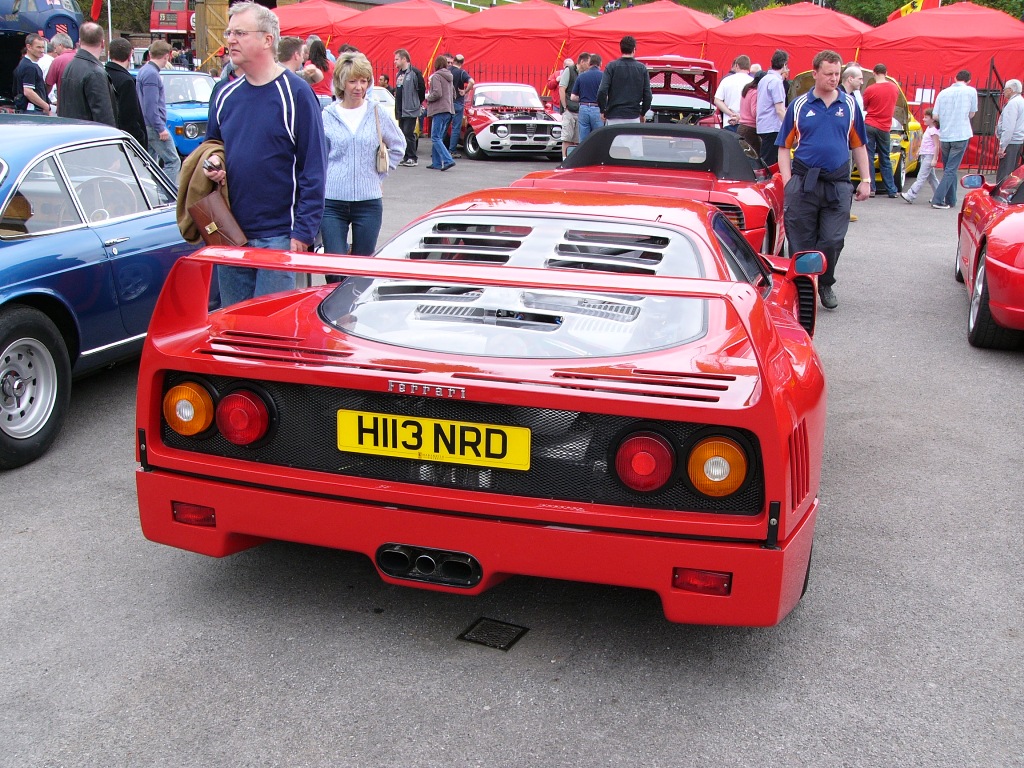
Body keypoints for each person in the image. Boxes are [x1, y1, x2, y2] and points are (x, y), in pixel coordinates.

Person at [204, 1, 326, 306]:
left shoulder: (297, 94)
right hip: (229, 232)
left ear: (267, 40)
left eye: (240, 33)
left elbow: (314, 167)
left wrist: (303, 232)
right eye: (229, 32)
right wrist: (214, 162)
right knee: (232, 329)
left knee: (271, 332)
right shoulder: (223, 94)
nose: (230, 39)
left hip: (278, 235)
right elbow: (212, 145)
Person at [776, 49, 871, 311]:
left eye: (837, 74)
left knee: (832, 239)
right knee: (801, 240)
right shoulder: (799, 106)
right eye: (828, 74)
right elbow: (783, 147)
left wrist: (866, 179)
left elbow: (859, 145)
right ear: (815, 73)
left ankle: (826, 282)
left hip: (838, 183)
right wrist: (788, 182)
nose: (833, 79)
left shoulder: (849, 105)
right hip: (804, 182)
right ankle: (802, 287)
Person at [320, 52, 405, 278]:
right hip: (332, 203)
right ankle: (334, 313)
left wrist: (378, 177)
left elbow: (398, 146)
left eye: (364, 80)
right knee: (334, 270)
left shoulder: (376, 111)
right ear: (341, 82)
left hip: (368, 203)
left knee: (362, 270)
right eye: (353, 81)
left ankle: (356, 313)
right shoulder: (327, 116)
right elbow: (317, 157)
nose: (359, 87)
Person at [930, 69, 978, 210]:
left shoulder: (943, 93)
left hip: (945, 134)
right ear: (968, 80)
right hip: (961, 133)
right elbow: (972, 113)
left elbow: (936, 115)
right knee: (951, 169)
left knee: (949, 168)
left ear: (955, 78)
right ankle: (937, 199)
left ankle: (951, 199)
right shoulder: (971, 91)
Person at [137, 40, 180, 187]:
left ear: (150, 54)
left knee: (149, 164)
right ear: (167, 56)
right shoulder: (152, 75)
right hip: (153, 126)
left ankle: (151, 192)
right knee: (173, 161)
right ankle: (164, 193)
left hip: (147, 124)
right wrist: (160, 127)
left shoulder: (144, 70)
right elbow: (150, 106)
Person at [58, 22, 116, 126]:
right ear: (103, 43)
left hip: (72, 134)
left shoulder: (70, 66)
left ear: (79, 42)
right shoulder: (95, 73)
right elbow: (104, 118)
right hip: (89, 136)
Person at [861, 63, 900, 197]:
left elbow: (864, 106)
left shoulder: (870, 90)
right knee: (885, 157)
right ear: (886, 72)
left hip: (870, 124)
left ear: (874, 73)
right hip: (885, 127)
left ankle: (871, 188)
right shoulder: (894, 88)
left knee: (869, 157)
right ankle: (891, 189)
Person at [597, 36, 651, 125]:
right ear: (634, 49)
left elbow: (602, 91)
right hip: (633, 116)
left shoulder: (611, 66)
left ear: (621, 48)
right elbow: (648, 95)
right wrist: (642, 113)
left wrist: (602, 110)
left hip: (614, 116)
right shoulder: (642, 68)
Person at [105, 38, 147, 149]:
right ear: (130, 56)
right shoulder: (126, 81)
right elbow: (129, 119)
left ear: (109, 54)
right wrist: (140, 140)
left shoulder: (102, 74)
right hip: (125, 143)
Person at [756, 49, 789, 165]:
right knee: (769, 163)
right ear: (784, 65)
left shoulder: (764, 79)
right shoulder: (776, 82)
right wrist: (790, 125)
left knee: (766, 159)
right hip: (773, 126)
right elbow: (779, 110)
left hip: (763, 125)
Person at [393, 48, 425, 167]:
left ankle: (412, 157)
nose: (394, 62)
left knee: (408, 133)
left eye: (396, 59)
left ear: (404, 59)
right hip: (401, 108)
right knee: (402, 133)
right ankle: (406, 157)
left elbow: (421, 89)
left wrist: (415, 103)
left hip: (411, 108)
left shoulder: (414, 73)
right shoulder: (399, 73)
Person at [901, 109, 940, 203]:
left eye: (926, 117)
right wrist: (919, 150)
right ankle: (940, 196)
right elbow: (925, 142)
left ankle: (911, 195)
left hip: (929, 156)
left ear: (933, 119)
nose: (923, 119)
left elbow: (936, 145)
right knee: (932, 178)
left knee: (921, 177)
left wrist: (935, 159)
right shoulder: (929, 129)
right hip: (925, 155)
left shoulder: (934, 131)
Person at [842, 64, 865, 221]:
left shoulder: (853, 97)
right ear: (850, 78)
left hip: (849, 143)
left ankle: (844, 210)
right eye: (860, 79)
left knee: (847, 177)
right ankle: (843, 211)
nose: (862, 82)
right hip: (844, 145)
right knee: (844, 178)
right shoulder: (843, 98)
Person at [425, 54, 456, 171]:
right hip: (448, 109)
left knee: (435, 137)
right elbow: (454, 94)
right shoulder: (449, 77)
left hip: (439, 109)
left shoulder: (436, 77)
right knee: (438, 137)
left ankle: (448, 160)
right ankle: (436, 163)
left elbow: (437, 93)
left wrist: (428, 97)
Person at [12, 33, 50, 115]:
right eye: (38, 47)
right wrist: (46, 106)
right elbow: (28, 91)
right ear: (29, 47)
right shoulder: (29, 67)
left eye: (43, 47)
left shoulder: (25, 64)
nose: (42, 50)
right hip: (33, 111)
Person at [995, 79, 1024, 183]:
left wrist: (1002, 146)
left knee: (1004, 174)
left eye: (1005, 89)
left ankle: (1000, 196)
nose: (1004, 92)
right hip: (1018, 141)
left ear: (1011, 90)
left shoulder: (1012, 104)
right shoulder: (1021, 101)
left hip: (1011, 142)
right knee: (1012, 172)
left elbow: (1008, 127)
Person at [560, 52, 588, 159]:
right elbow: (562, 88)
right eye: (588, 63)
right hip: (570, 110)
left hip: (580, 110)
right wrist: (565, 106)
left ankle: (574, 159)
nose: (589, 65)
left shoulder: (584, 73)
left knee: (577, 139)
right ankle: (565, 159)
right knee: (567, 137)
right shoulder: (569, 71)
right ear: (582, 61)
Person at [714, 55, 752, 131]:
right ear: (749, 67)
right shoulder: (752, 82)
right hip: (747, 124)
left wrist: (731, 114)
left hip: (729, 122)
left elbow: (717, 100)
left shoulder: (726, 80)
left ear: (737, 65)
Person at [571, 53, 603, 143]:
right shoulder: (603, 76)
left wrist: (582, 98)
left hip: (583, 108)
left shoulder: (581, 76)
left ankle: (584, 156)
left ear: (589, 63)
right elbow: (606, 95)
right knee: (598, 138)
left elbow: (572, 97)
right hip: (597, 108)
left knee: (583, 140)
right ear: (600, 64)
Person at [448, 53, 474, 158]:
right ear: (463, 63)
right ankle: (452, 150)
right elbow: (472, 82)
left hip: (446, 102)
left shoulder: (447, 71)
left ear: (453, 61)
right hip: (458, 102)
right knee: (455, 127)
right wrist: (465, 91)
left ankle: (439, 150)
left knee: (443, 126)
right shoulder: (462, 73)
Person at [44, 32, 74, 109]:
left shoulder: (57, 61)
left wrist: (43, 100)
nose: (55, 51)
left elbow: (49, 84)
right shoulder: (81, 58)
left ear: (60, 45)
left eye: (55, 47)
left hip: (65, 107)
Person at [737, 75, 759, 153]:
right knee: (753, 159)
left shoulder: (747, 90)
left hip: (742, 127)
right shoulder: (756, 92)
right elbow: (754, 112)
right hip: (751, 129)